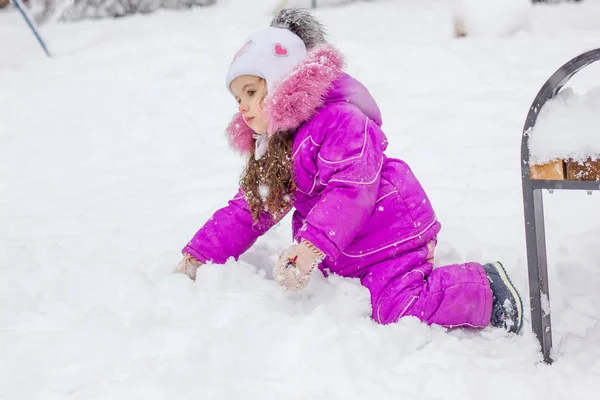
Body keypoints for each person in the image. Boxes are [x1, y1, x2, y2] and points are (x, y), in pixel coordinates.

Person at [176, 8, 523, 334]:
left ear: (282, 82)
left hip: (391, 232)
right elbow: (252, 207)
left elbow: (352, 189)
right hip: (350, 244)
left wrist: (310, 247)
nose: (244, 107)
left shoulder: (341, 121)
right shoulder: (279, 146)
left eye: (252, 92)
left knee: (396, 306)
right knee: (354, 299)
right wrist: (199, 256)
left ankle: (487, 289)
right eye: (238, 99)